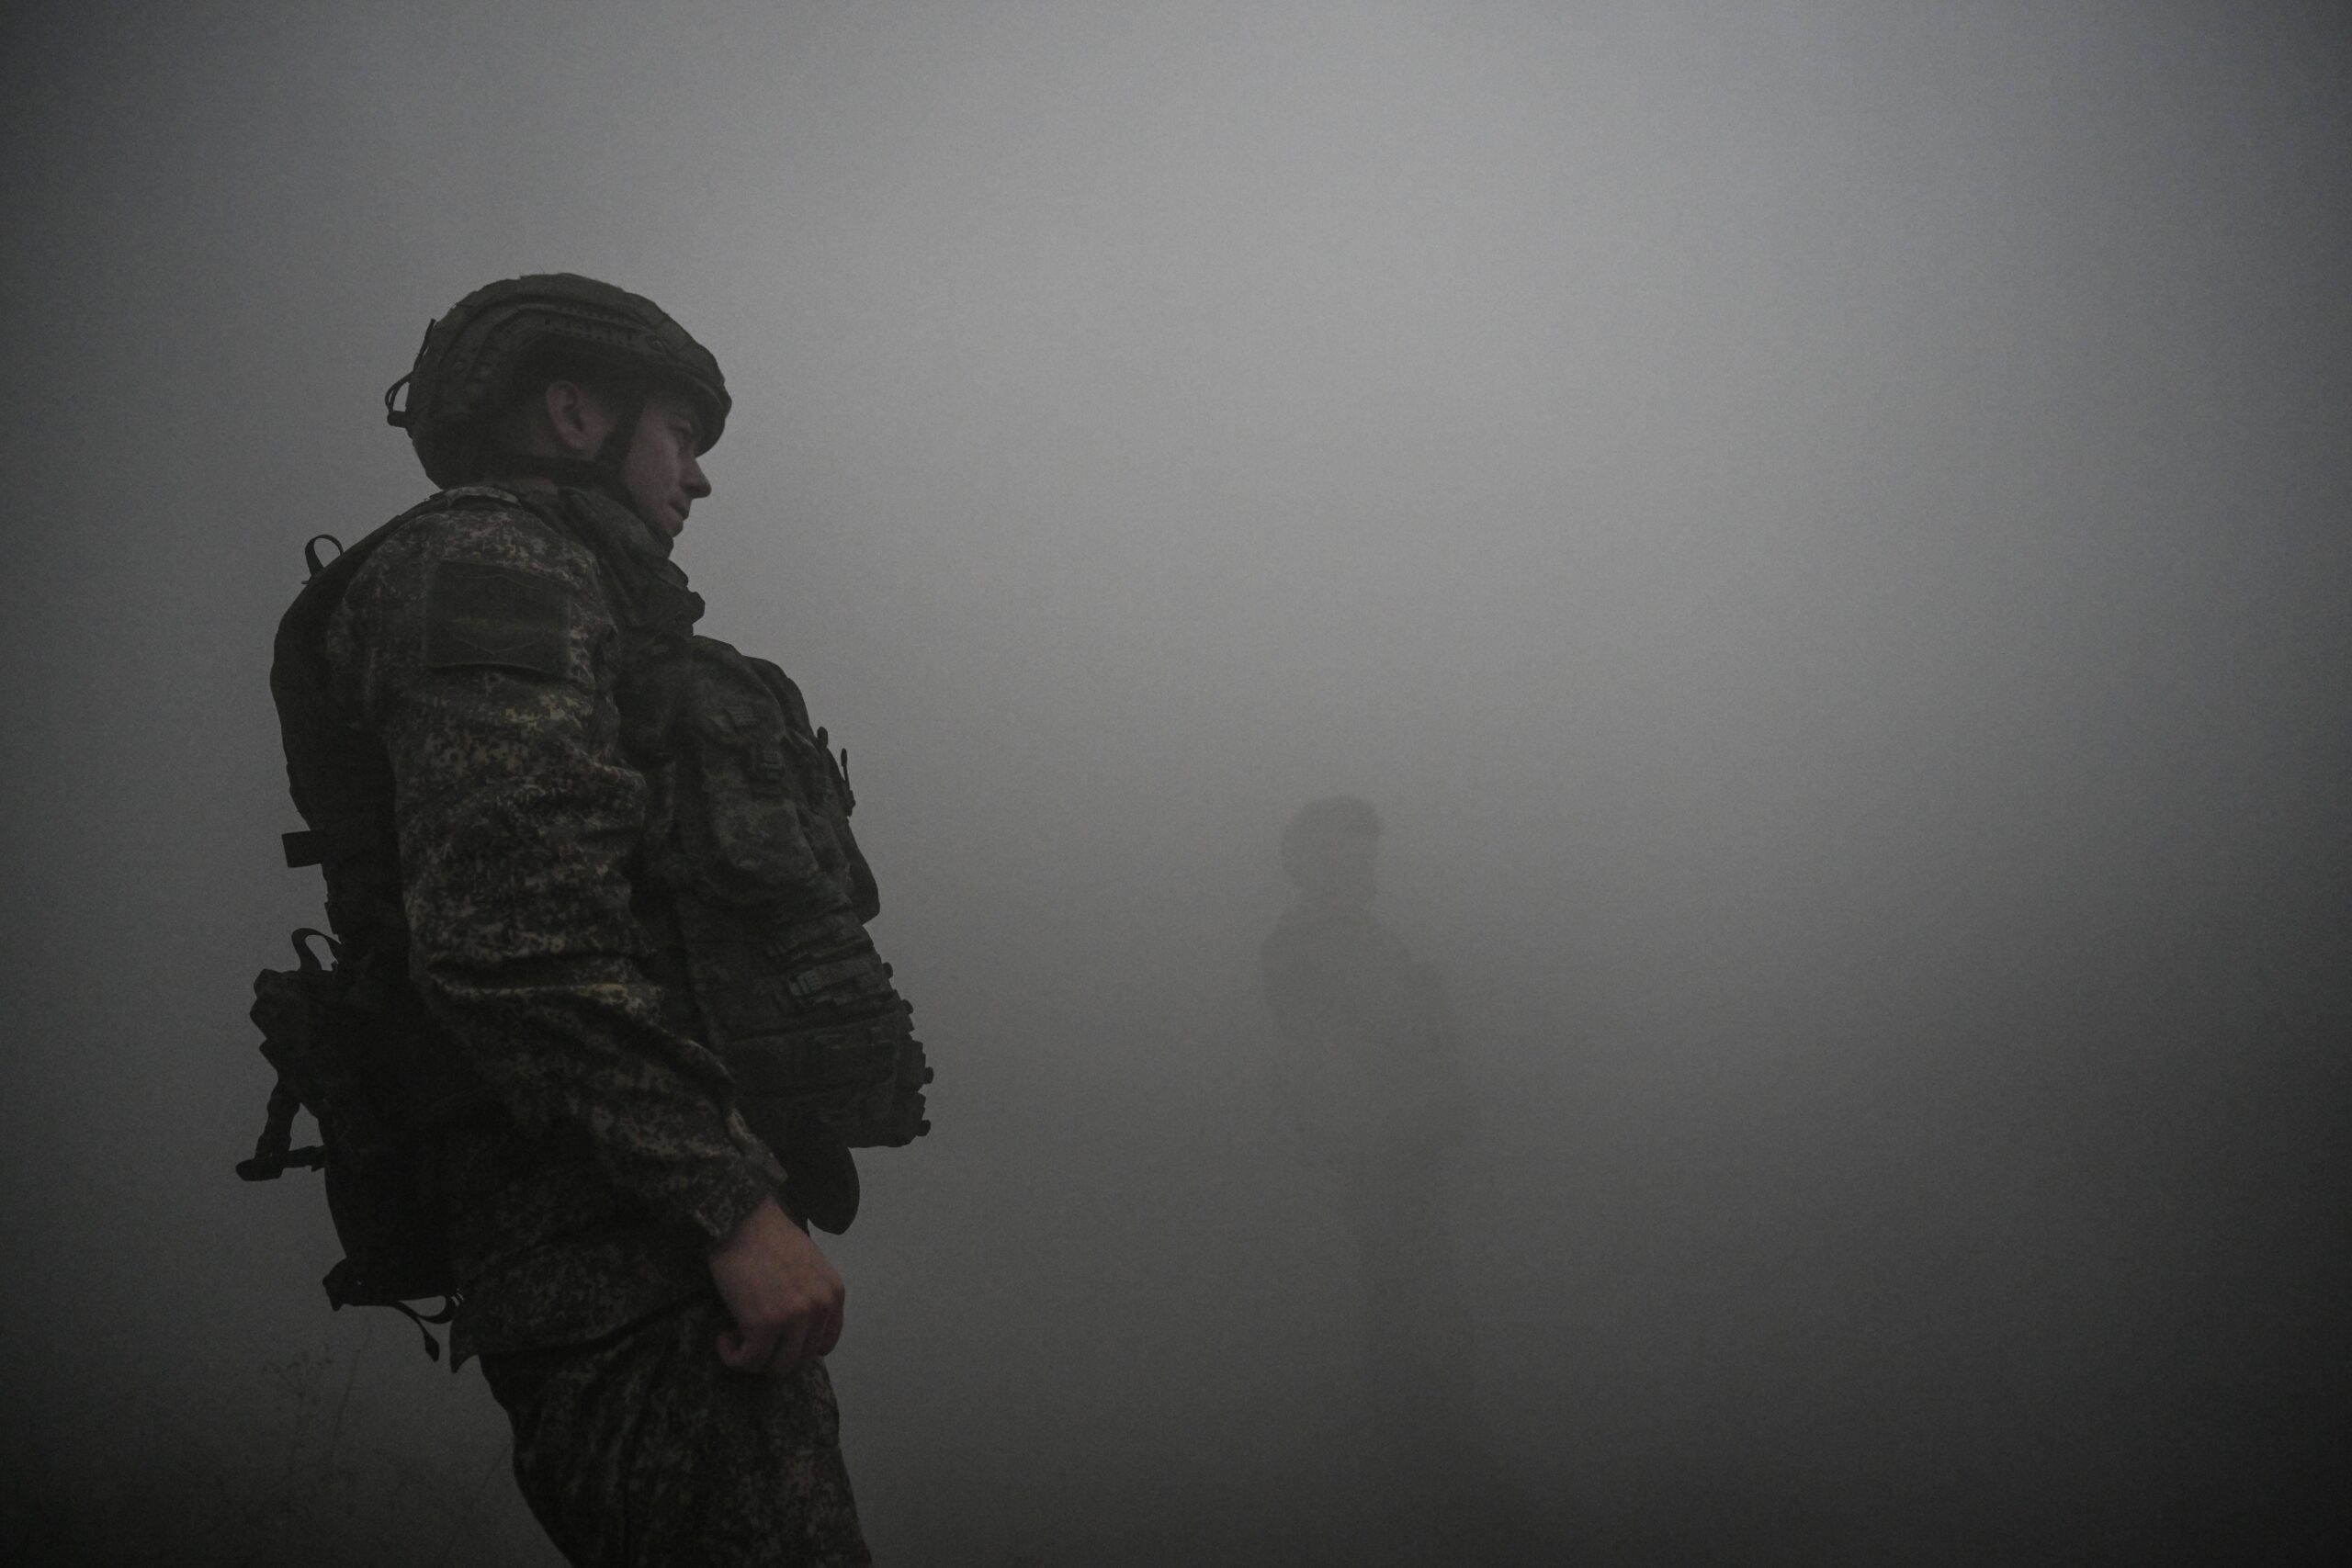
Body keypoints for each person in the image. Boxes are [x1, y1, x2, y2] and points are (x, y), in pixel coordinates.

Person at [267, 274, 928, 1565]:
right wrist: (733, 1205)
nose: (699, 478)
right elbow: (514, 937)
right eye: (681, 434)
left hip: (640, 1236)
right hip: (616, 1245)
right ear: (574, 413)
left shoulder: (564, 587)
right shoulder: (489, 561)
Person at [1260, 796, 1479, 1541]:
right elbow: (1344, 1056)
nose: (1368, 865)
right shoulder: (1311, 943)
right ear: (1316, 860)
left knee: (1418, 1318)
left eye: (1368, 850)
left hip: (1400, 1152)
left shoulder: (1353, 939)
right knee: (1405, 1321)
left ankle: (1426, 1476)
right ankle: (1423, 1491)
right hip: (1377, 1160)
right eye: (1353, 850)